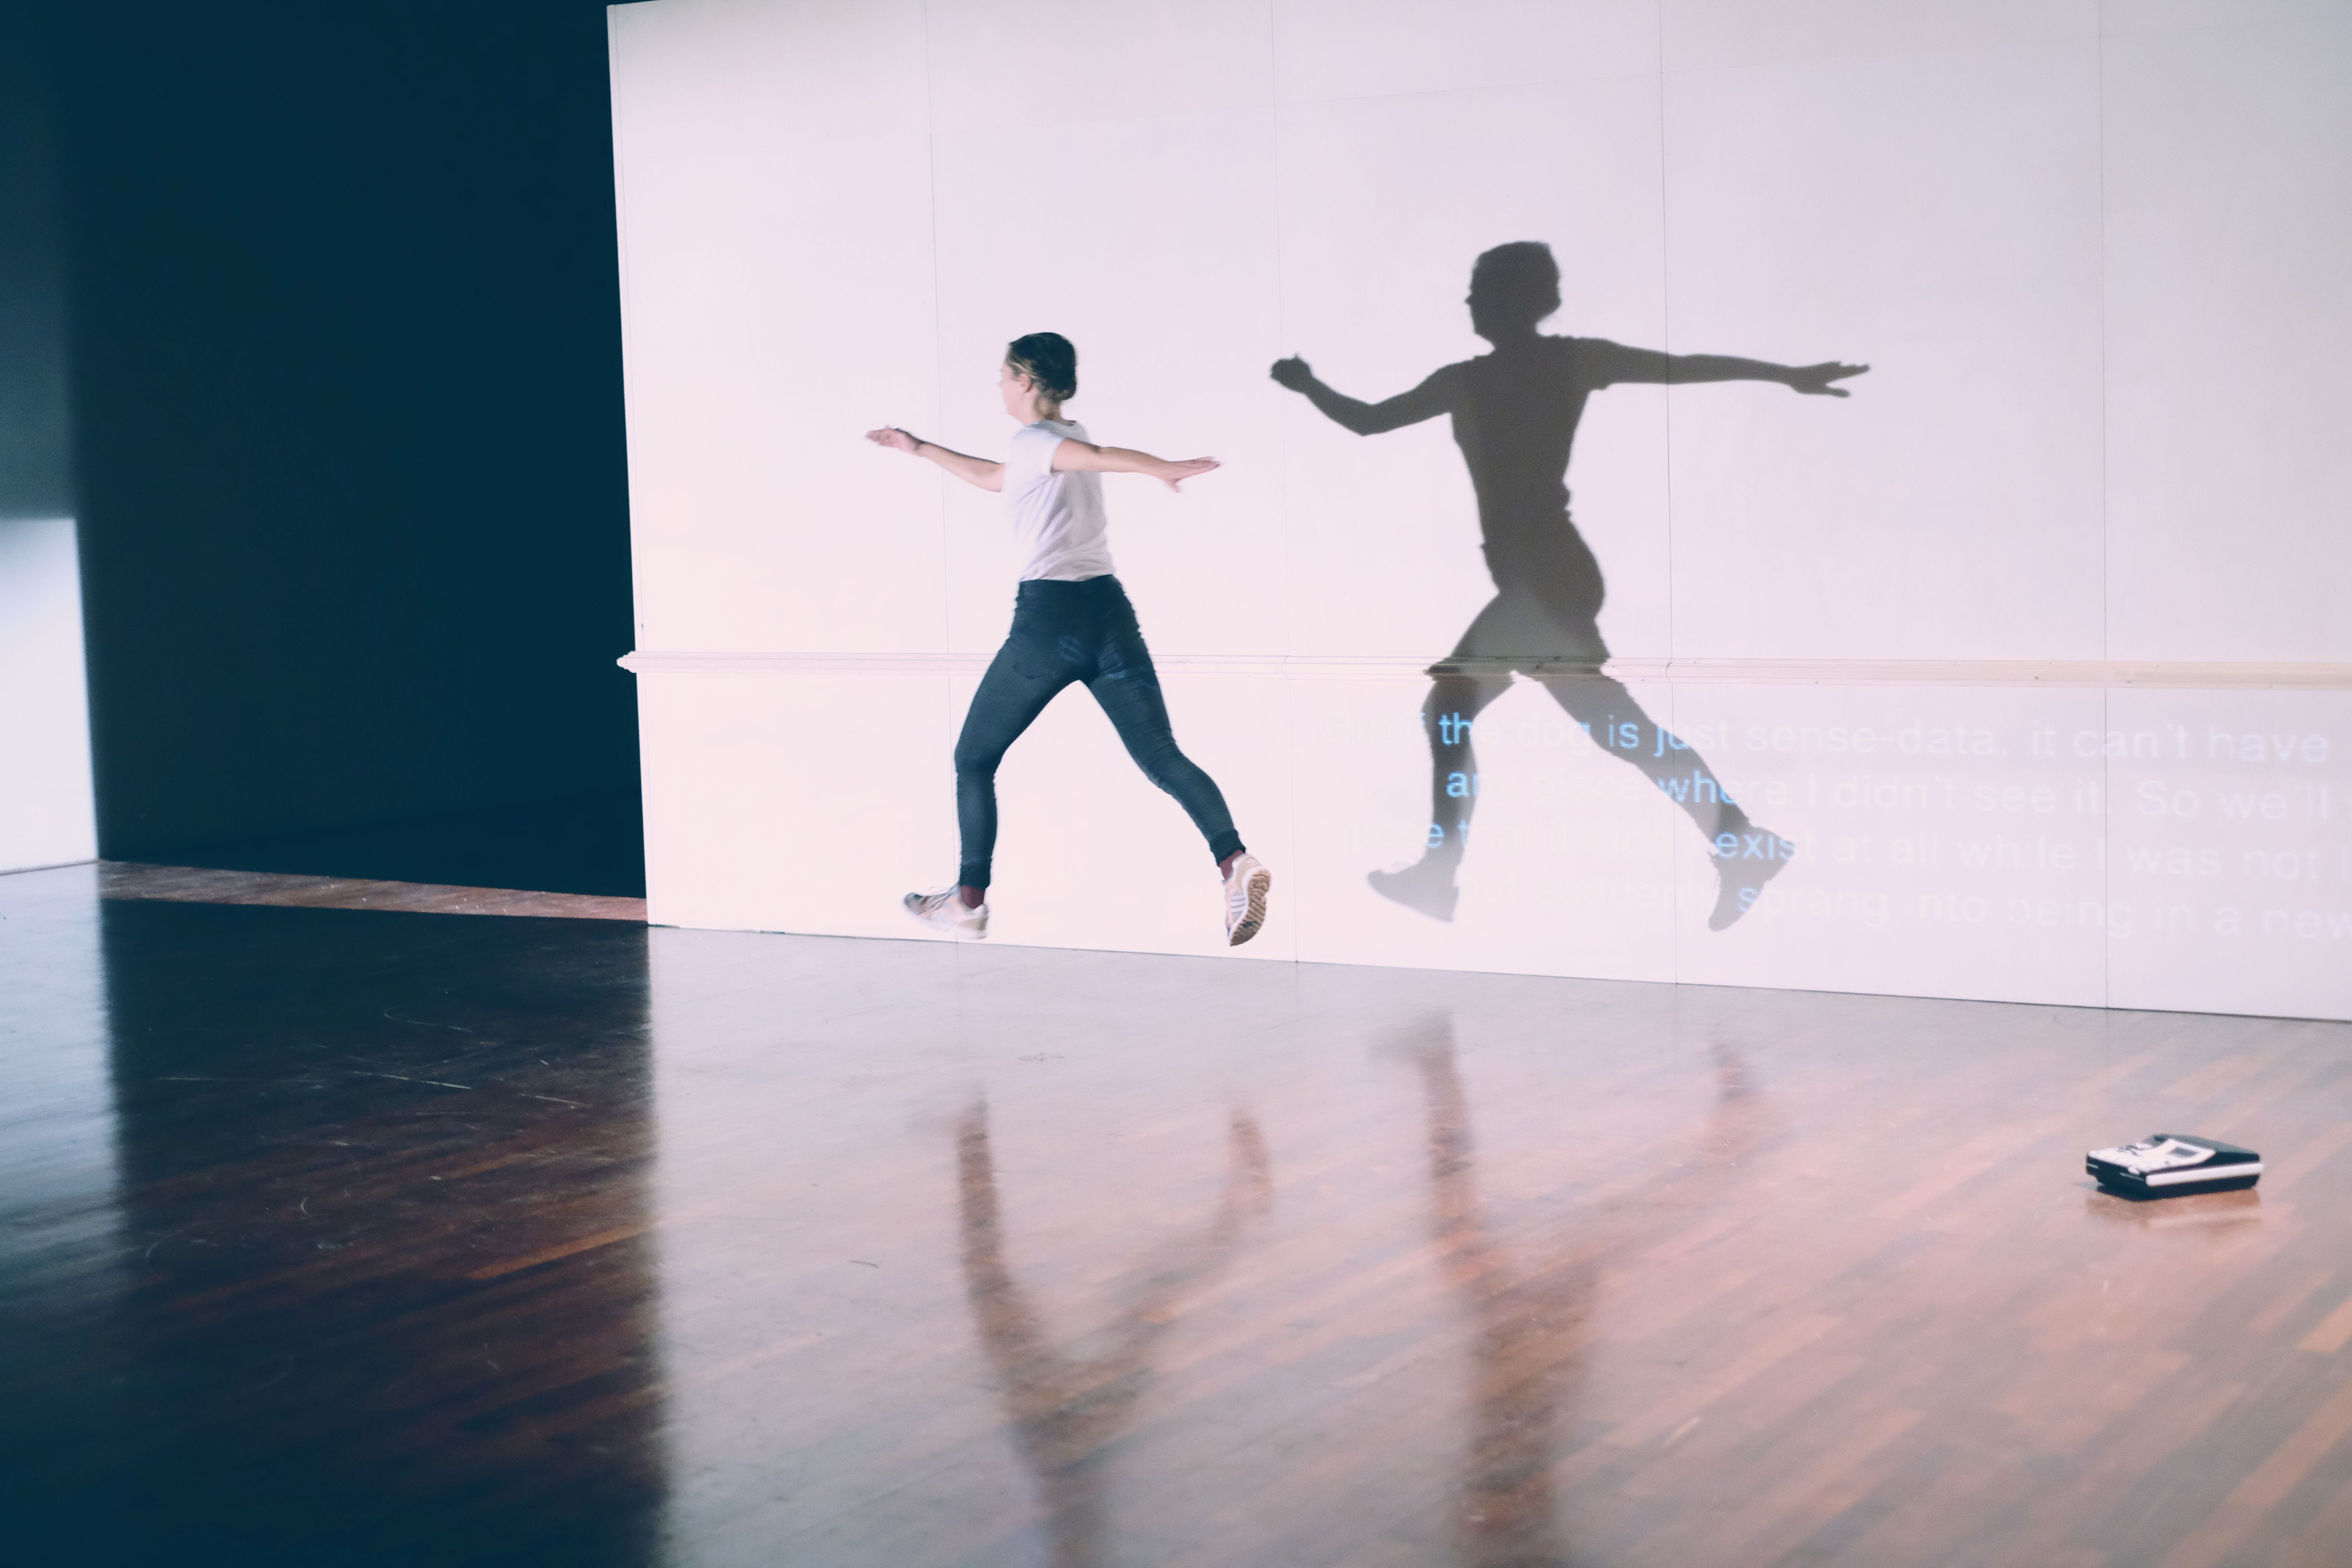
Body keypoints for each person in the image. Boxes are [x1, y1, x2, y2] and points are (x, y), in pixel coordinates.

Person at [1271, 241, 1866, 930]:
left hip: (1546, 580)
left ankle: (1440, 868)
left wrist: (1307, 384)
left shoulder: (1490, 376)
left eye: (1480, 292)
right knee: (1619, 732)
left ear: (1515, 300)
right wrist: (1786, 376)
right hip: (1552, 577)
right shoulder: (1552, 365)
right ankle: (1742, 841)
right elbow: (1683, 368)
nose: (1469, 303)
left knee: (1451, 704)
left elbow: (1369, 421)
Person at [868, 332, 1272, 945]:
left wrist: (1158, 467)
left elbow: (1100, 456)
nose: (999, 386)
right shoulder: (1053, 443)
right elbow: (997, 477)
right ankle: (1234, 862)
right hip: (1109, 614)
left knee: (973, 760)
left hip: (1050, 623)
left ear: (1025, 381)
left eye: (1003, 376)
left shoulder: (1041, 442)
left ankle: (968, 901)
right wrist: (919, 448)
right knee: (1161, 756)